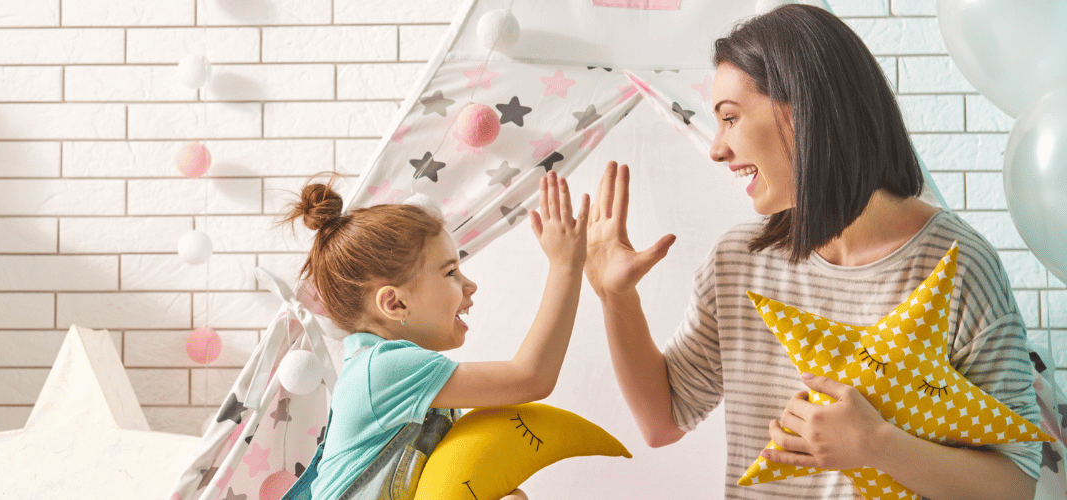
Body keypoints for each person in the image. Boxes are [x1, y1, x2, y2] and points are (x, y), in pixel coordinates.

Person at [583, 5, 1042, 499]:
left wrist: (877, 444)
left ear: (803, 109)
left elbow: (1016, 484)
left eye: (730, 119)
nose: (716, 148)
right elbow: (663, 419)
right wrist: (615, 298)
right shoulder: (737, 262)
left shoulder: (960, 265)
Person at [289, 171, 587, 500]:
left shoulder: (413, 382)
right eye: (450, 272)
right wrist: (566, 266)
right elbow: (531, 378)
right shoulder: (384, 371)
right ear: (395, 303)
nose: (470, 286)